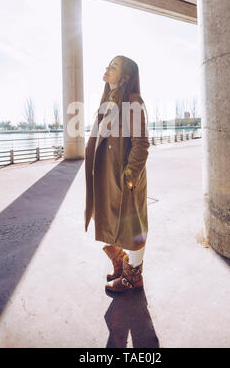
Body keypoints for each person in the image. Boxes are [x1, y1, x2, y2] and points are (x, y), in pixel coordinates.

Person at [84, 55, 150, 292]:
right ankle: (120, 261)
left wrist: (129, 176)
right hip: (107, 176)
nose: (107, 68)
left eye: (113, 66)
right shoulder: (109, 100)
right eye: (108, 64)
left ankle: (133, 276)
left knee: (133, 227)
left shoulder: (132, 101)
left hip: (125, 177)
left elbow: (141, 143)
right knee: (110, 220)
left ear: (125, 77)